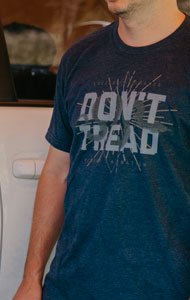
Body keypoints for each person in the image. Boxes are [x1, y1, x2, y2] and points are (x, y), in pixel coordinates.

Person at [13, 0, 189, 299]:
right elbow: (57, 172)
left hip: (164, 289)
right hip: (69, 287)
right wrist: (31, 278)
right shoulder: (80, 57)